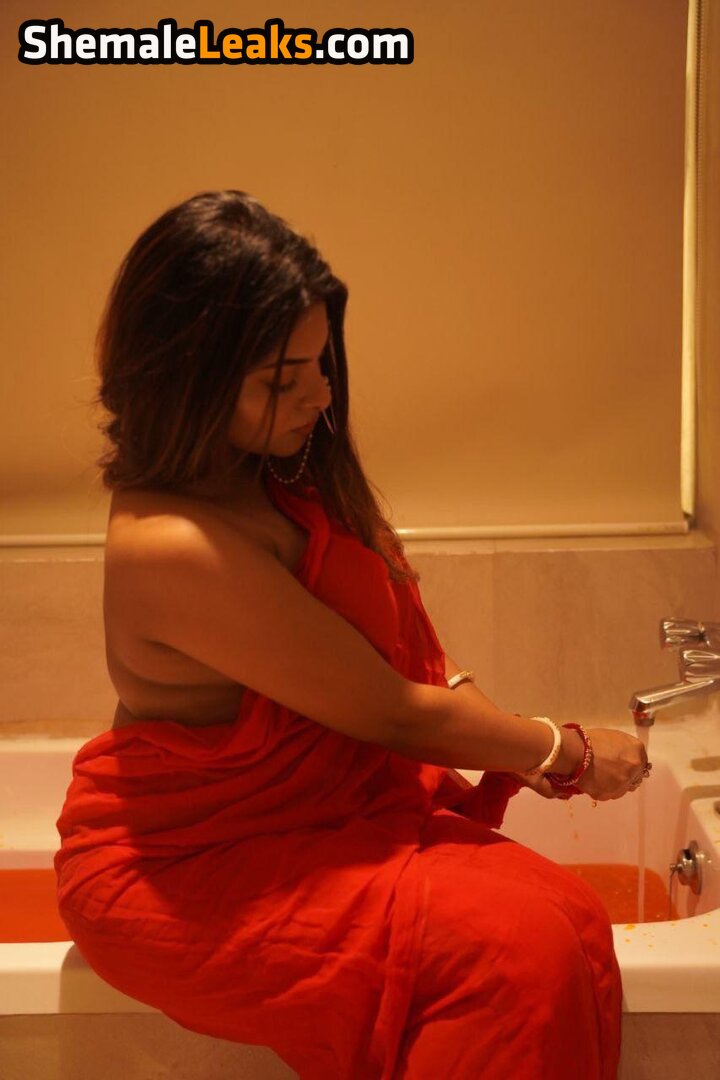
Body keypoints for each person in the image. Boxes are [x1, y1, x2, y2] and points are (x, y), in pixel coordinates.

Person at [55, 190, 648, 1079]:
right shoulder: (170, 545)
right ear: (187, 374)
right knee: (514, 951)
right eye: (283, 379)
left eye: (320, 363)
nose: (322, 395)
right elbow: (393, 710)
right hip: (190, 868)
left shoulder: (266, 475)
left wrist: (522, 741)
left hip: (311, 823)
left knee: (570, 916)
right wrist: (562, 752)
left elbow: (412, 651)